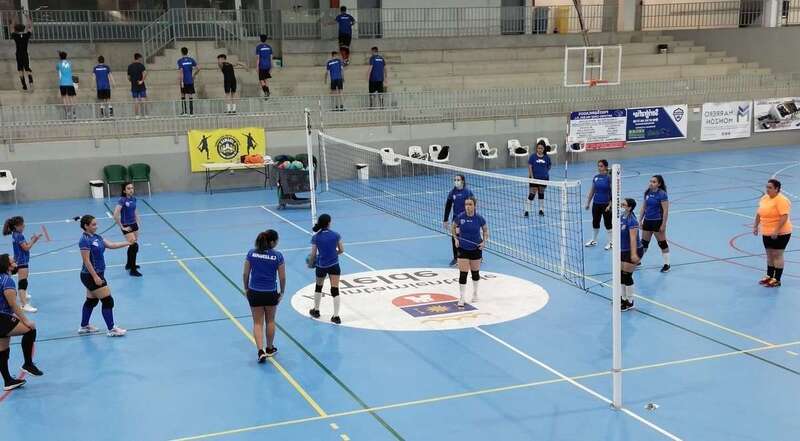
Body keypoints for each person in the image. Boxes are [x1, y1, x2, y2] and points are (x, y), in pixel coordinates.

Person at [77, 215, 132, 337]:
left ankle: (84, 326)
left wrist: (127, 243)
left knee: (91, 301)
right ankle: (111, 329)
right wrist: (95, 277)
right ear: (86, 226)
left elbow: (111, 245)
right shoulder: (84, 240)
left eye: (96, 224)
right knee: (108, 301)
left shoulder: (97, 237)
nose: (96, 226)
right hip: (90, 275)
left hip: (97, 274)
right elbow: (86, 261)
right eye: (93, 225)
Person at [0, 254, 43, 391]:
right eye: (13, 261)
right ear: (7, 266)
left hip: (2, 317)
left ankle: (8, 381)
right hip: (2, 317)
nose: (15, 263)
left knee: (3, 348)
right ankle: (28, 364)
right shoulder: (7, 281)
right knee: (30, 330)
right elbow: (13, 304)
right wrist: (26, 320)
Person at [243, 230, 286, 362]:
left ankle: (260, 351)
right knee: (270, 321)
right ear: (272, 242)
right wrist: (282, 292)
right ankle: (269, 348)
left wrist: (246, 288)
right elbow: (282, 277)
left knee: (257, 323)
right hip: (270, 293)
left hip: (254, 292)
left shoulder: (251, 253)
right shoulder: (278, 256)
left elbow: (245, 274)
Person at [754, 179, 792, 287]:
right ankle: (769, 276)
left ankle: (777, 279)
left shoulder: (782, 200)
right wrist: (755, 226)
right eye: (767, 187)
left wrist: (776, 230)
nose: (767, 189)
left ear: (777, 189)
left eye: (770, 187)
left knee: (777, 255)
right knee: (769, 254)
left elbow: (784, 216)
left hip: (781, 233)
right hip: (766, 232)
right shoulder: (764, 198)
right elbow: (759, 213)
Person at [452, 196, 489, 308]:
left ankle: (475, 293)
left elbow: (485, 230)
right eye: (466, 204)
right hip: (463, 248)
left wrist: (484, 242)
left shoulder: (479, 218)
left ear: (474, 206)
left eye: (470, 204)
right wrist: (456, 239)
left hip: (476, 248)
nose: (467, 207)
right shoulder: (460, 217)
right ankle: (462, 297)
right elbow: (453, 227)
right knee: (463, 274)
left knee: (475, 273)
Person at [308, 214, 344, 324]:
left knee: (318, 287)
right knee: (335, 290)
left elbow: (313, 254)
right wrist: (334, 254)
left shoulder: (316, 237)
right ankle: (336, 316)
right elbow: (341, 250)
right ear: (329, 223)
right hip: (334, 265)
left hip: (321, 266)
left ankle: (316, 310)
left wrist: (311, 263)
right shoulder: (336, 235)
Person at [3, 217, 41, 313]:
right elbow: (26, 248)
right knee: (23, 283)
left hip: (19, 259)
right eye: (22, 225)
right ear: (16, 226)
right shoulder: (19, 235)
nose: (24, 226)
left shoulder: (15, 234)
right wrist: (34, 240)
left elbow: (23, 246)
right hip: (22, 261)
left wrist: (31, 240)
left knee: (24, 278)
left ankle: (24, 294)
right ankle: (24, 304)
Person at [639, 175, 670, 273]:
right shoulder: (647, 193)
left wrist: (663, 224)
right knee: (644, 243)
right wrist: (640, 220)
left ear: (659, 184)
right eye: (650, 181)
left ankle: (667, 264)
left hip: (657, 221)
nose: (651, 183)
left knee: (662, 243)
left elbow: (665, 210)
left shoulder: (662, 194)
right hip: (647, 221)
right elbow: (644, 207)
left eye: (654, 182)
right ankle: (638, 261)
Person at [443, 175, 474, 266]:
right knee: (455, 237)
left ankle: (474, 256)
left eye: (458, 180)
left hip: (466, 218)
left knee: (470, 237)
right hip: (456, 219)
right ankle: (456, 258)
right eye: (455, 180)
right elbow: (448, 206)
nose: (456, 181)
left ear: (462, 181)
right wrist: (445, 220)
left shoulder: (467, 192)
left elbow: (473, 205)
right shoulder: (452, 192)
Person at [113, 183, 142, 277]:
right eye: (128, 188)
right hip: (126, 225)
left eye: (132, 188)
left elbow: (135, 210)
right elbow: (115, 214)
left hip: (134, 224)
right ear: (124, 191)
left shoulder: (133, 199)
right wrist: (122, 227)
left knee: (133, 245)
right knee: (134, 246)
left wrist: (138, 221)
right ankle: (133, 269)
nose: (131, 190)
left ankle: (129, 264)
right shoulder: (122, 200)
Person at [584, 159, 613, 250]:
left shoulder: (609, 178)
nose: (599, 168)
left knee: (608, 223)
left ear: (606, 167)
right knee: (595, 222)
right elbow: (592, 190)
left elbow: (613, 192)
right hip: (596, 203)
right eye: (598, 166)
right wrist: (588, 202)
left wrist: (610, 205)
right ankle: (594, 240)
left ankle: (611, 242)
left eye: (601, 166)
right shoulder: (596, 177)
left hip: (606, 204)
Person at [619, 198, 641, 311]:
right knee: (621, 275)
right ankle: (623, 299)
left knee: (627, 276)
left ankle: (630, 301)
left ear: (629, 207)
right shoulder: (621, 216)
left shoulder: (632, 221)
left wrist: (633, 254)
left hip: (633, 250)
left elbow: (633, 239)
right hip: (623, 250)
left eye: (624, 204)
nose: (621, 205)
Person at [525, 140, 551, 217]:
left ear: (544, 149)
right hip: (534, 179)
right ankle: (527, 210)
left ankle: (541, 210)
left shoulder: (546, 157)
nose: (540, 150)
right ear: (536, 148)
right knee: (532, 194)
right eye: (538, 148)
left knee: (541, 193)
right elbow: (530, 167)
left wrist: (544, 173)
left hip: (543, 179)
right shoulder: (533, 157)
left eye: (541, 148)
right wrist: (532, 177)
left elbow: (549, 166)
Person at [10, 14, 33, 91]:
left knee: (20, 70)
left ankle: (24, 86)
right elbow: (30, 26)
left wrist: (14, 19)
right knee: (27, 69)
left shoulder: (15, 36)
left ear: (16, 30)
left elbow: (11, 27)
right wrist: (28, 18)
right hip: (25, 54)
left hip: (18, 54)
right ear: (23, 29)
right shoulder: (26, 35)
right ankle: (31, 84)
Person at [177, 47, 199, 116]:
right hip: (190, 80)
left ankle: (185, 112)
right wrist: (194, 75)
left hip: (184, 80)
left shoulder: (180, 61)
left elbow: (181, 71)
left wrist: (181, 81)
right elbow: (198, 68)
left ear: (181, 52)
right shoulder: (191, 60)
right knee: (190, 95)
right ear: (187, 52)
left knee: (183, 94)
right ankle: (191, 113)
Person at [57, 51, 76, 119]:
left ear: (60, 57)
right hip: (70, 83)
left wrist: (59, 56)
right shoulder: (70, 63)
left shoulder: (58, 64)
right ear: (66, 56)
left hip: (62, 83)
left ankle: (67, 113)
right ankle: (73, 113)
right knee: (71, 98)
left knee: (64, 99)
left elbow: (59, 71)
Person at [127, 53, 148, 118]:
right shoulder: (141, 65)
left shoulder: (130, 66)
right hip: (141, 85)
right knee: (143, 99)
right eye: (140, 58)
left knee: (135, 100)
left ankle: (137, 115)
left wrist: (132, 81)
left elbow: (128, 77)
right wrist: (142, 81)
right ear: (138, 58)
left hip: (134, 85)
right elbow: (145, 73)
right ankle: (145, 115)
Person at [255, 35, 273, 99]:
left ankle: (266, 92)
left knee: (261, 80)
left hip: (262, 66)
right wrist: (271, 66)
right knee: (266, 79)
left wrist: (257, 67)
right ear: (266, 39)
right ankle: (267, 92)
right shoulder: (269, 47)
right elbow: (271, 58)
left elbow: (258, 58)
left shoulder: (258, 47)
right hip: (268, 65)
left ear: (260, 39)